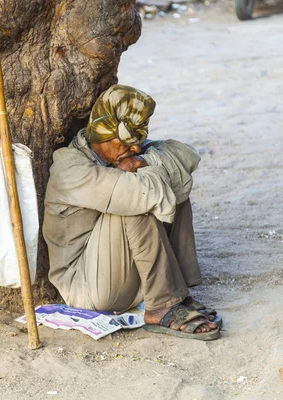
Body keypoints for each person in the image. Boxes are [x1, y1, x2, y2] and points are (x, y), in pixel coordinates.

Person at [42, 84, 220, 340]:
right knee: (140, 198)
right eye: (128, 143)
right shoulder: (69, 166)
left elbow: (187, 155)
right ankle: (161, 306)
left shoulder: (127, 152)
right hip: (88, 287)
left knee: (171, 183)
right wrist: (154, 170)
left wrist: (145, 162)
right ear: (103, 134)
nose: (135, 149)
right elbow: (139, 192)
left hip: (121, 275)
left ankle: (179, 291)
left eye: (138, 142)